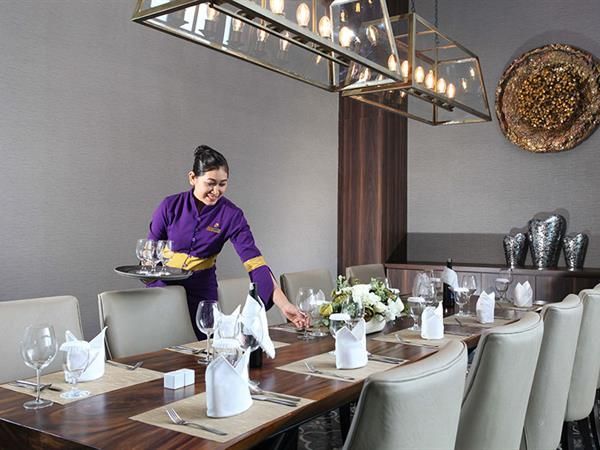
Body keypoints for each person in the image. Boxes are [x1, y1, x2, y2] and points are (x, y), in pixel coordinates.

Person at [146, 145, 308, 338]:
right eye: (210, 183)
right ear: (192, 178)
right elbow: (149, 253)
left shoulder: (231, 215)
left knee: (206, 344)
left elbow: (255, 262)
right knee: (164, 343)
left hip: (202, 291)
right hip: (164, 287)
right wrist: (154, 282)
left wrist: (284, 305)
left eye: (222, 184)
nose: (216, 191)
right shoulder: (170, 205)